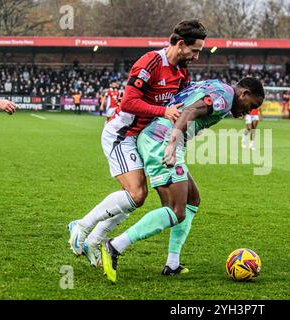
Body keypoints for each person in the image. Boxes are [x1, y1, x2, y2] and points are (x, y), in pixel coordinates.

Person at [68, 20, 207, 267]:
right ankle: (82, 226)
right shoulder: (150, 62)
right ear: (181, 44)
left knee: (137, 197)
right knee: (137, 193)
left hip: (144, 138)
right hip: (122, 133)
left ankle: (92, 241)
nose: (196, 57)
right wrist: (163, 111)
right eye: (195, 50)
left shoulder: (182, 72)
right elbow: (127, 103)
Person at [101, 77, 265, 283]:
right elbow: (190, 111)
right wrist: (172, 143)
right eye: (253, 105)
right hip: (163, 140)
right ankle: (115, 246)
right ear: (244, 94)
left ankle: (172, 264)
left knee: (192, 200)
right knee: (176, 211)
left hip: (161, 137)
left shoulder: (216, 85)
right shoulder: (225, 96)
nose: (249, 111)